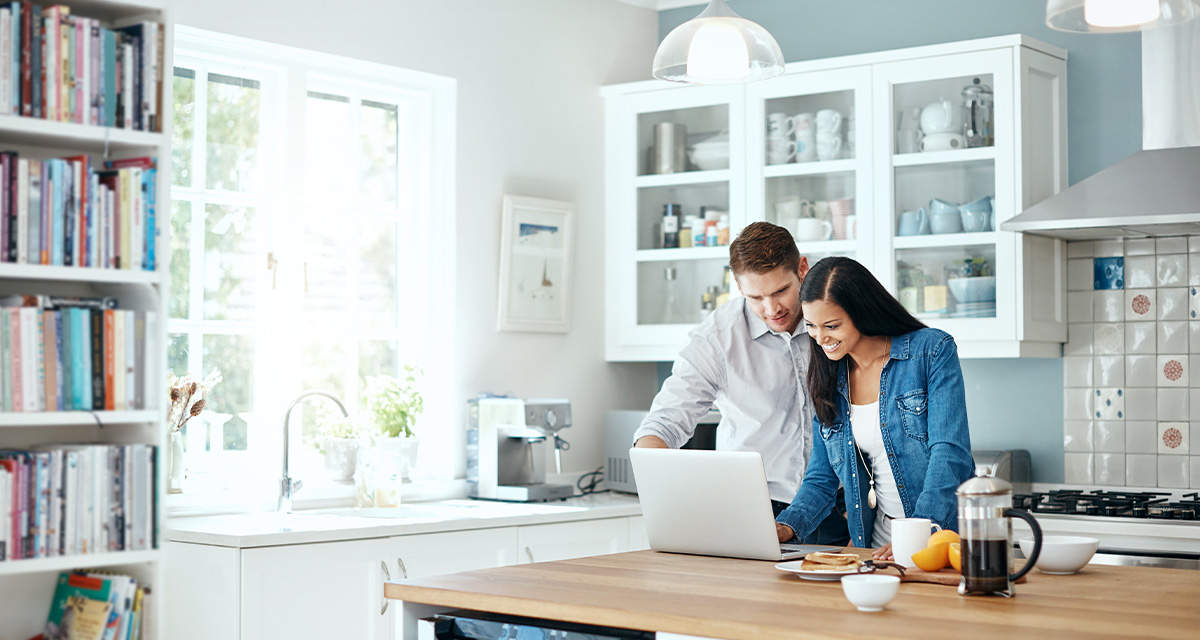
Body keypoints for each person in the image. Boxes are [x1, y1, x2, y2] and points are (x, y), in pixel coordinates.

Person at [633, 222, 849, 546]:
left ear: (802, 269)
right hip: (756, 511)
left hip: (841, 506)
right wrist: (663, 496)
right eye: (755, 297)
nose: (771, 308)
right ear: (737, 285)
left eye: (780, 291)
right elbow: (664, 423)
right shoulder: (718, 338)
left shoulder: (834, 320)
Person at [774, 256, 974, 557]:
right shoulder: (829, 378)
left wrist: (918, 533)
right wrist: (785, 526)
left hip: (937, 543)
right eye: (812, 326)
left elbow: (950, 453)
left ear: (862, 312)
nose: (820, 338)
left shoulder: (930, 351)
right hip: (875, 551)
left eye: (831, 325)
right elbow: (821, 477)